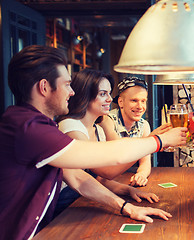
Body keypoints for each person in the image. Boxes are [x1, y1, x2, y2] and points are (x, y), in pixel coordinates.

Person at [0, 45, 187, 240]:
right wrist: (160, 141)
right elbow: (113, 156)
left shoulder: (39, 126)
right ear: (44, 87)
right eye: (66, 84)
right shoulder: (29, 129)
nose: (71, 92)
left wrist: (125, 207)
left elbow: (78, 179)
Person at [54, 69, 161, 218]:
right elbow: (107, 171)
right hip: (61, 203)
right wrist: (155, 141)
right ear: (86, 96)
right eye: (103, 94)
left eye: (109, 93)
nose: (110, 99)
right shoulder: (70, 127)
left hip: (82, 197)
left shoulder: (97, 129)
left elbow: (99, 178)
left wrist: (128, 190)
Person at [98, 76, 166, 187]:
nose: (140, 107)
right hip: (105, 182)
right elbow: (120, 153)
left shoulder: (144, 125)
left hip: (124, 180)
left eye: (143, 101)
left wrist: (141, 175)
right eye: (134, 100)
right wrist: (151, 140)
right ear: (120, 102)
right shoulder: (107, 120)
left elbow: (145, 162)